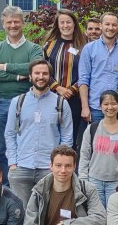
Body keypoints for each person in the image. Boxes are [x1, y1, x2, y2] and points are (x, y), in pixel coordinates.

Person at [0, 6, 44, 178]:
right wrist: (19, 76)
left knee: (29, 144)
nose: (13, 25)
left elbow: (35, 69)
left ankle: (26, 182)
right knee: (3, 148)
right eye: (9, 22)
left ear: (23, 23)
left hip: (28, 102)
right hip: (2, 101)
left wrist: (6, 67)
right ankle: (7, 187)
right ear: (3, 24)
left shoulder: (34, 49)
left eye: (16, 21)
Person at [5, 60, 73, 204]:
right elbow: (10, 133)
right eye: (37, 73)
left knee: (48, 213)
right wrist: (12, 163)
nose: (40, 77)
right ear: (30, 76)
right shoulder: (17, 102)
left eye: (45, 73)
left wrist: (59, 164)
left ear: (50, 77)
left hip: (48, 169)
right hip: (21, 167)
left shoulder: (61, 103)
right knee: (21, 215)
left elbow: (67, 137)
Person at [78, 90, 118, 209]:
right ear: (100, 106)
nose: (110, 107)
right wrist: (83, 179)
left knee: (114, 216)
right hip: (94, 180)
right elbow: (84, 155)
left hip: (117, 182)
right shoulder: (92, 128)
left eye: (114, 103)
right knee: (97, 216)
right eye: (106, 104)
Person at [78, 11, 118, 126]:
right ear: (101, 25)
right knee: (97, 142)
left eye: (114, 25)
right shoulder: (89, 49)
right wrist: (85, 107)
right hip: (96, 106)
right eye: (107, 24)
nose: (110, 27)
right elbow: (83, 80)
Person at [42, 9, 86, 151]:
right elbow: (43, 70)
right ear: (58, 25)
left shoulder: (84, 46)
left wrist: (72, 89)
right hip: (52, 96)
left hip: (75, 98)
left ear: (74, 24)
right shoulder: (48, 46)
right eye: (62, 22)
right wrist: (57, 87)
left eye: (68, 22)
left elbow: (87, 72)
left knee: (70, 136)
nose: (65, 25)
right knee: (51, 134)